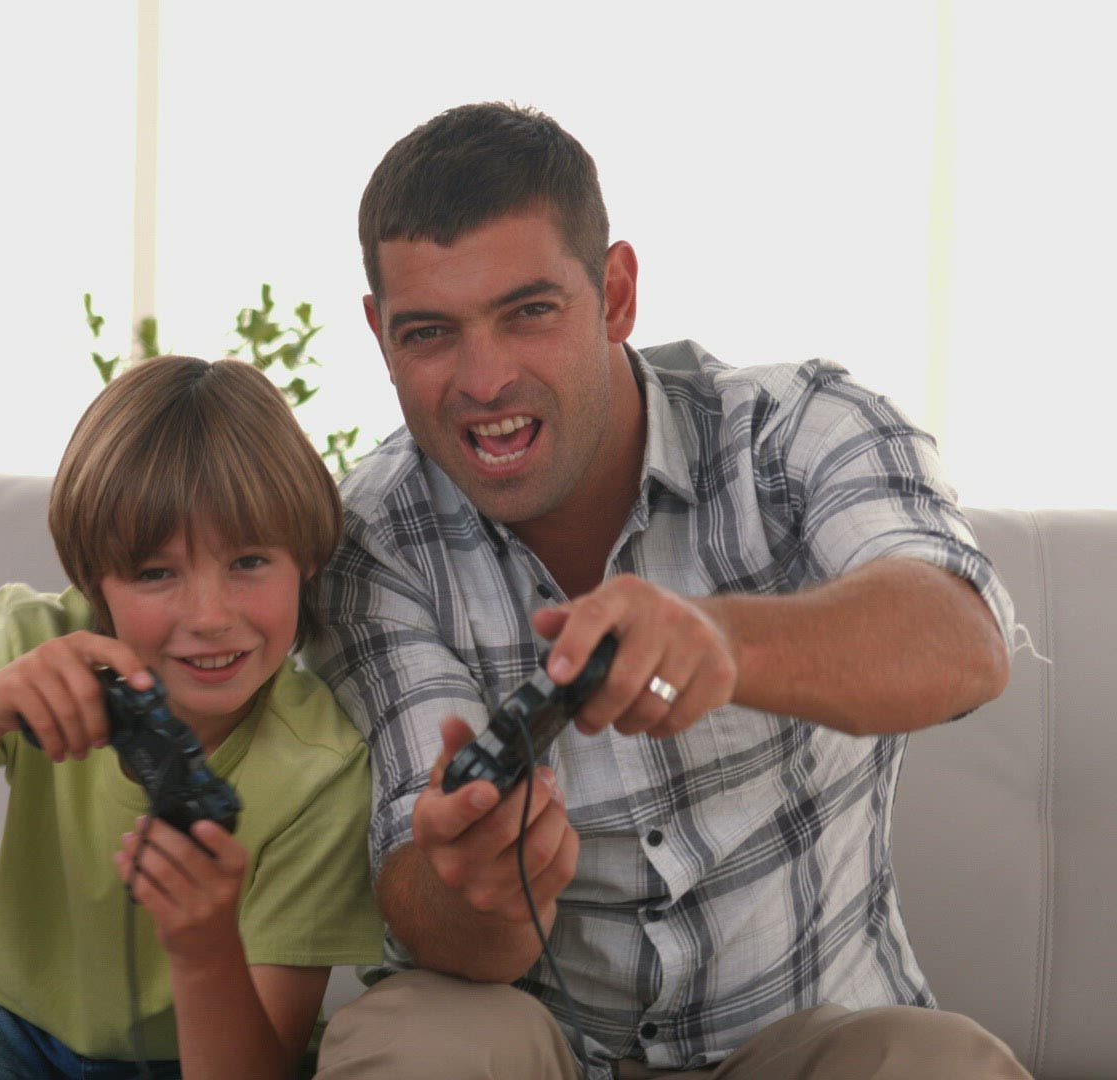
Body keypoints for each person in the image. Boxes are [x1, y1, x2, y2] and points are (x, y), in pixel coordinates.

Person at [304, 102, 1031, 1079]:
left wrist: (724, 642)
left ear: (615, 294)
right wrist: (482, 889)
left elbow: (961, 641)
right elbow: (438, 916)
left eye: (529, 312)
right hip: (544, 1049)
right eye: (430, 332)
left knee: (934, 1064)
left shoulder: (798, 430)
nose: (484, 380)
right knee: (418, 1040)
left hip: (805, 1042)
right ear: (381, 336)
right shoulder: (369, 543)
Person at [0, 356, 382, 1080]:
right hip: (1, 1023)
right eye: (156, 573)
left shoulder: (322, 766)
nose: (210, 616)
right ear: (94, 582)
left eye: (249, 562)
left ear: (308, 560)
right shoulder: (36, 655)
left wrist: (206, 953)